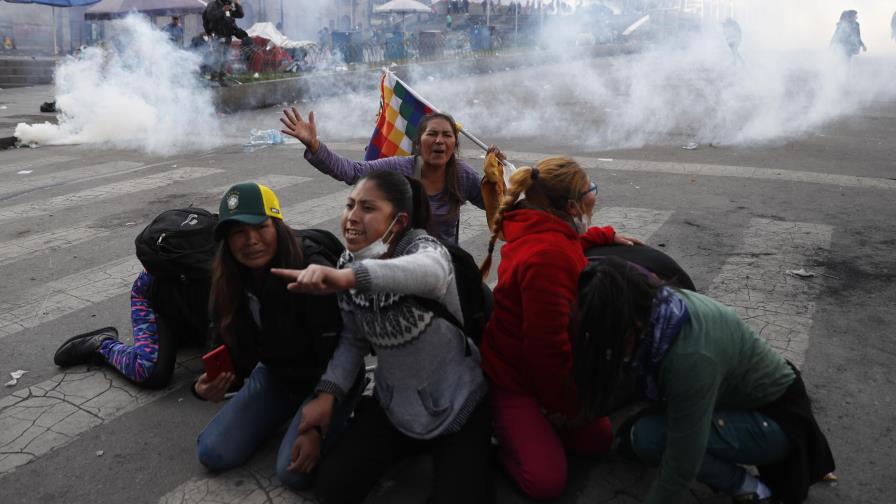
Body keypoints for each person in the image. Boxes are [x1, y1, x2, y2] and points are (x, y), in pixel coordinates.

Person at [272, 170, 493, 504]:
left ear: (399, 220)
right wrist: (327, 396)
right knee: (332, 488)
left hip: (457, 407)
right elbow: (353, 340)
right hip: (394, 408)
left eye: (367, 208)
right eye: (350, 205)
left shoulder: (425, 250)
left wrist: (350, 278)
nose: (352, 218)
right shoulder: (348, 261)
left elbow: (429, 274)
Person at [573, 258, 836, 504]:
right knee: (638, 435)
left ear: (636, 325)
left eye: (614, 340)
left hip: (776, 421)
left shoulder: (689, 356)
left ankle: (750, 488)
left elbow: (683, 458)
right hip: (739, 398)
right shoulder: (660, 306)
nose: (610, 351)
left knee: (651, 438)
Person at [477, 157, 642, 500]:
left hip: (543, 372)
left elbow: (570, 244)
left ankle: (537, 428)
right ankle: (495, 433)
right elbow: (545, 351)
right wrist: (564, 409)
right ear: (569, 205)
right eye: (589, 190)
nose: (593, 195)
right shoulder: (547, 256)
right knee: (546, 482)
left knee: (597, 441)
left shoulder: (544, 228)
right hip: (515, 378)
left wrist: (602, 235)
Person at [193, 182, 361, 491]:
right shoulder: (229, 280)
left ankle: (353, 420)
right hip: (277, 373)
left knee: (292, 473)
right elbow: (220, 340)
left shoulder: (310, 269)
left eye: (260, 227)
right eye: (238, 233)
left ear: (278, 225)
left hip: (330, 378)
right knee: (212, 452)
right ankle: (288, 411)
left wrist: (322, 408)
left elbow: (347, 344)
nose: (251, 241)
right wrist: (203, 385)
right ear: (227, 242)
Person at [281, 107, 499, 244]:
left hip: (446, 269)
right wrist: (315, 145)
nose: (439, 141)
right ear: (418, 143)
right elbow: (352, 172)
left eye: (446, 135)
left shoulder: (462, 176)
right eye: (432, 134)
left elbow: (498, 209)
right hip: (398, 266)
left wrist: (498, 178)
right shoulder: (399, 169)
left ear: (454, 144)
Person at [202, 0, 250, 82]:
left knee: (225, 56)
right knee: (218, 56)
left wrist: (237, 4)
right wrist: (222, 10)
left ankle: (221, 76)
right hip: (217, 34)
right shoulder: (213, 4)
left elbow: (240, 15)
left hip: (227, 35)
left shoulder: (229, 4)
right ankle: (214, 77)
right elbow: (210, 16)